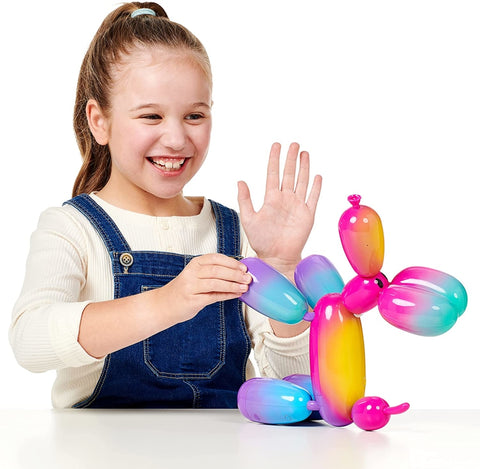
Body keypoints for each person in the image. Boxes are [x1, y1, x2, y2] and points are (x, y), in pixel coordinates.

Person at [9, 2, 322, 409]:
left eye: (194, 116)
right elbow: (29, 340)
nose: (176, 139)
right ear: (99, 121)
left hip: (223, 443)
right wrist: (165, 303)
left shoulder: (239, 235)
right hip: (100, 445)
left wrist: (280, 270)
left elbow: (297, 382)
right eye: (151, 116)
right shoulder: (71, 228)